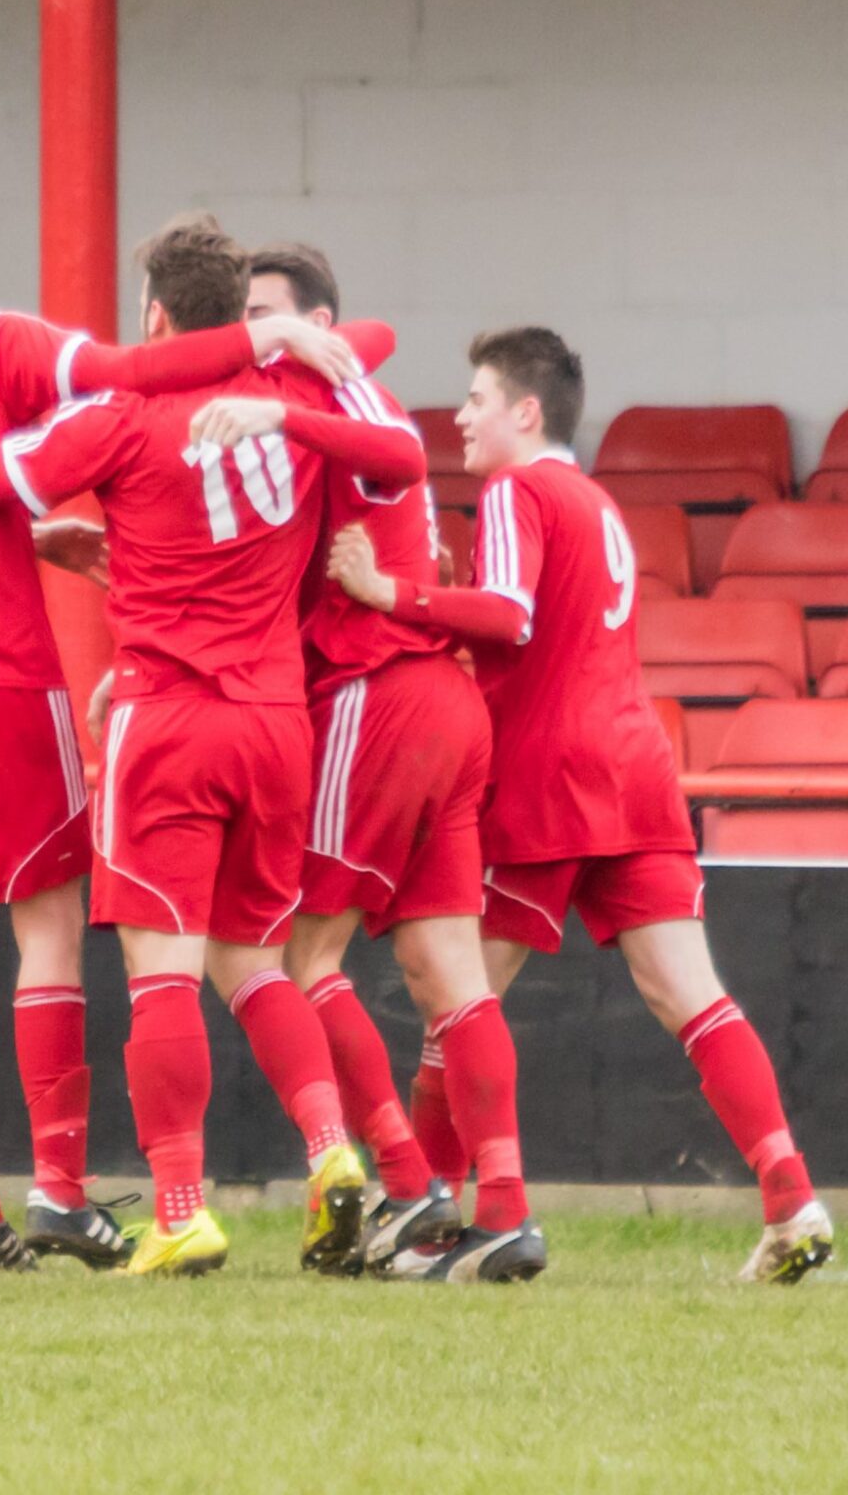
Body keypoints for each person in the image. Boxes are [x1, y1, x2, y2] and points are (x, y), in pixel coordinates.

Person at [0, 215, 426, 1276]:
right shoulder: (294, 403)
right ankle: (330, 1150)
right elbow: (386, 390)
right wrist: (288, 365)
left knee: (160, 973)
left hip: (163, 721)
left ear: (156, 319)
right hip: (275, 722)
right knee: (253, 962)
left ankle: (175, 1205)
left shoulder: (114, 420)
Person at [330, 326, 834, 1285]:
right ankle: (790, 1196)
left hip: (547, 777)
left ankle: (454, 1212)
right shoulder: (597, 502)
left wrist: (388, 591)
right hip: (635, 769)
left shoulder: (519, 491)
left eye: (476, 399)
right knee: (690, 994)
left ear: (526, 411)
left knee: (456, 995)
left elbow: (512, 615)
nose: (463, 417)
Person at [252, 245, 539, 1284]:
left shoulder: (338, 411)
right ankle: (500, 1206)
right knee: (448, 981)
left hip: (379, 696)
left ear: (317, 323)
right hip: (443, 706)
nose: (257, 338)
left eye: (270, 317)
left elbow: (389, 449)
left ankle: (411, 1188)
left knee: (303, 961)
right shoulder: (334, 396)